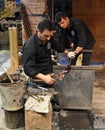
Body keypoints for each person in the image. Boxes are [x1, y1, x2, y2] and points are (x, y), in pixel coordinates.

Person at [22, 19, 75, 86]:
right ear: (38, 31)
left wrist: (67, 52)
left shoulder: (48, 38)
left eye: (50, 35)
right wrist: (44, 77)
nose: (49, 38)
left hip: (48, 74)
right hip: (38, 80)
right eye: (46, 36)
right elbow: (28, 68)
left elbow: (55, 45)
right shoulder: (30, 46)